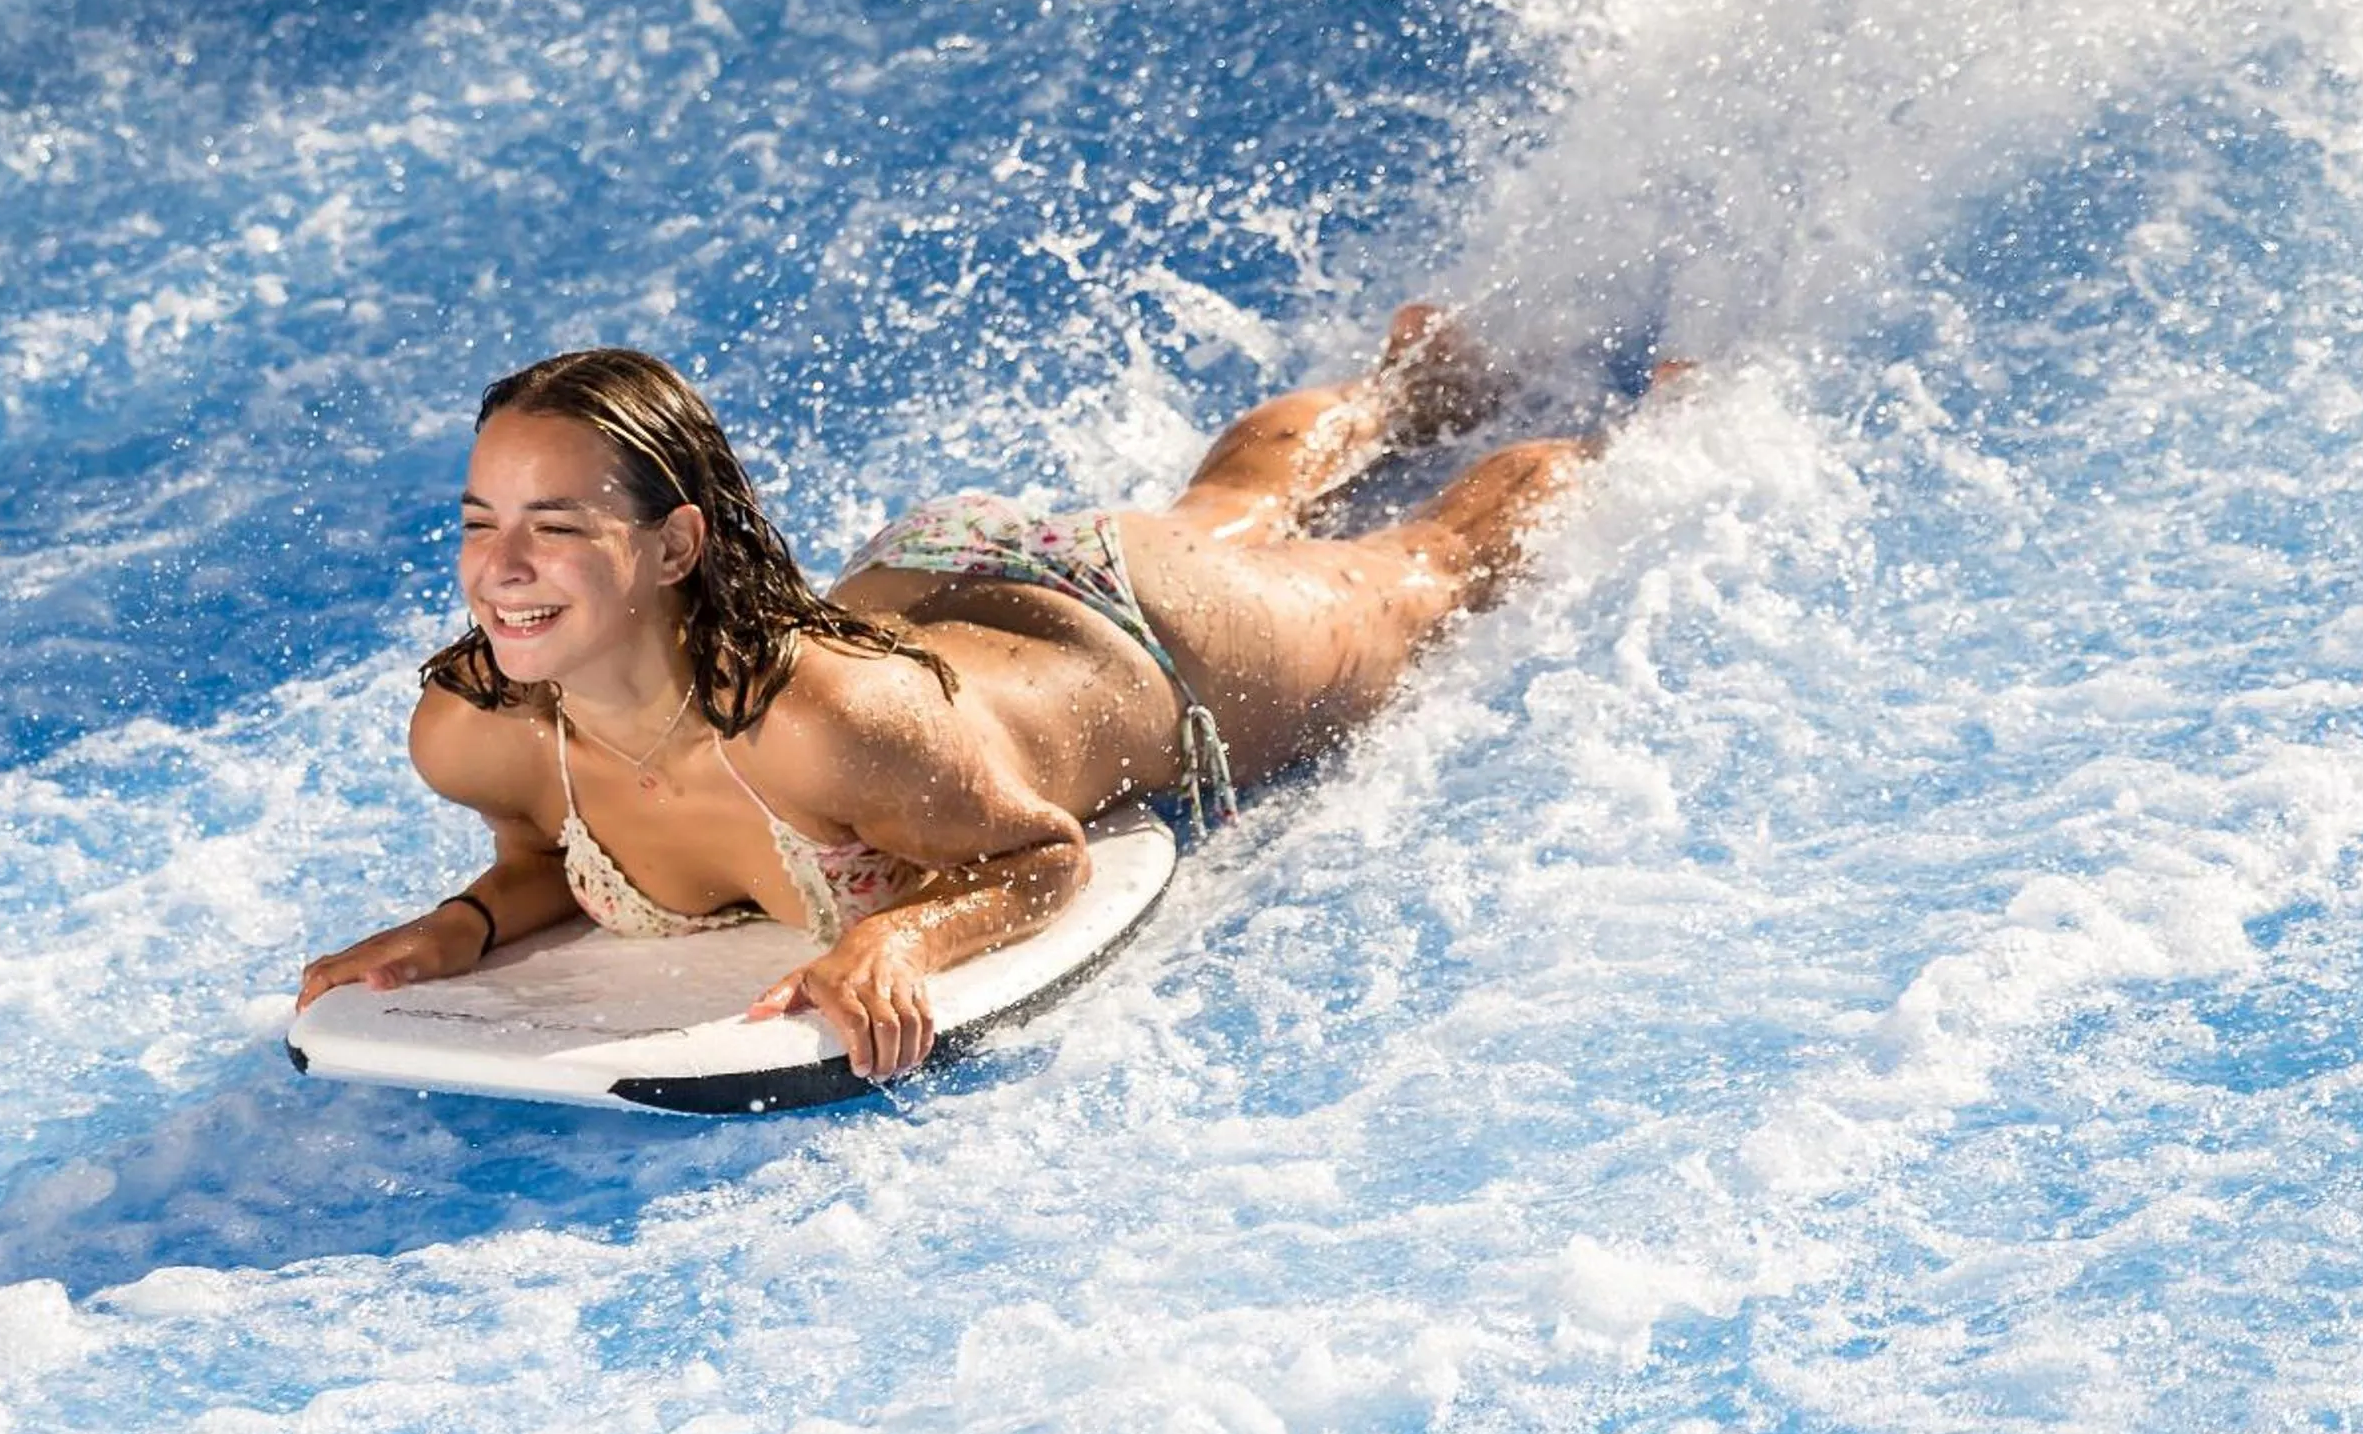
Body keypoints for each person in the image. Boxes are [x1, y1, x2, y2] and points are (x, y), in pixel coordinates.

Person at [295, 309, 1589, 1078]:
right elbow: (547, 850)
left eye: (553, 526)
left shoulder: (815, 726)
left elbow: (1043, 852)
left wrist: (903, 937)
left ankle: (1646, 423)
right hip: (930, 583)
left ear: (677, 548)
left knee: (1425, 571)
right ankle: (1408, 379)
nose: (499, 570)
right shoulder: (477, 731)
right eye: (480, 521)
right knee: (1229, 507)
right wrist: (463, 928)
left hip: (1134, 629)